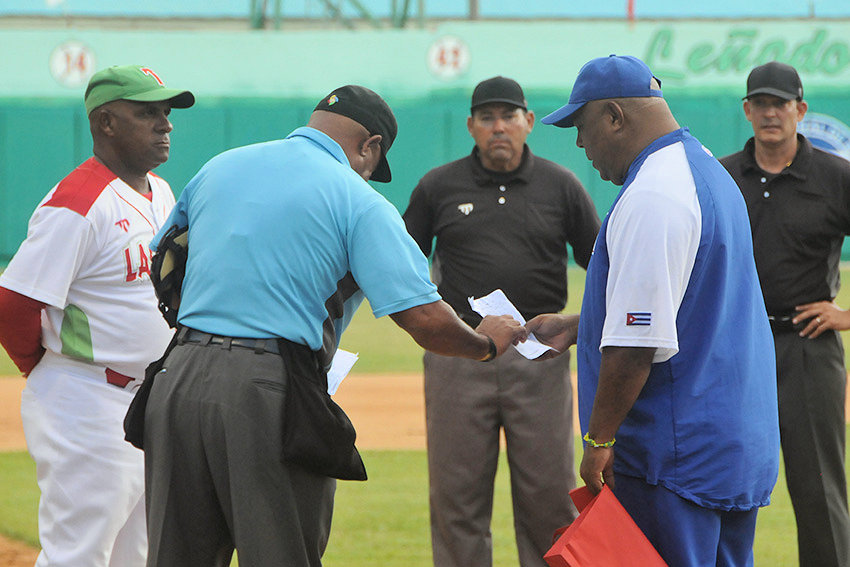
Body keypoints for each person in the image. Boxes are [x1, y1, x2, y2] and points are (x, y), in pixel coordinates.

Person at [141, 84, 526, 567]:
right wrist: (485, 344)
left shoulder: (219, 167)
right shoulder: (358, 199)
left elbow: (165, 264)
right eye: (371, 164)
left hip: (176, 377)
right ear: (371, 146)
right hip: (265, 388)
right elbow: (425, 319)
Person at [526, 55, 780, 566]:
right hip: (729, 445)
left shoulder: (654, 194)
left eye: (582, 127)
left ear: (614, 117)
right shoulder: (703, 168)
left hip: (674, 456)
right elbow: (691, 302)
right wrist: (581, 326)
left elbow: (635, 346)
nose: (580, 144)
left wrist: (599, 438)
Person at [402, 75, 600, 567]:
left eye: (508, 116)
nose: (498, 127)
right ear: (470, 125)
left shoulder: (561, 185)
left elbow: (602, 265)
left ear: (528, 121)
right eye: (486, 117)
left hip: (539, 356)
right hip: (460, 353)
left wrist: (579, 325)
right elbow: (401, 264)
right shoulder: (438, 186)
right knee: (457, 498)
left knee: (549, 498)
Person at [0, 65, 194, 566]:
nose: (165, 124)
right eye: (147, 112)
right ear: (105, 122)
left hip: (146, 399)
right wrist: (45, 367)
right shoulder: (78, 202)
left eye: (166, 112)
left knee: (137, 555)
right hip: (87, 399)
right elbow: (14, 303)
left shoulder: (161, 192)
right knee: (78, 555)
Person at [719, 61, 850, 567]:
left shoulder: (835, 177)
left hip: (806, 345)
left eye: (781, 103)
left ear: (801, 110)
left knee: (818, 487)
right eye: (761, 103)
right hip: (734, 346)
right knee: (721, 480)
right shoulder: (723, 177)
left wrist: (846, 316)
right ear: (747, 110)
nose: (771, 113)